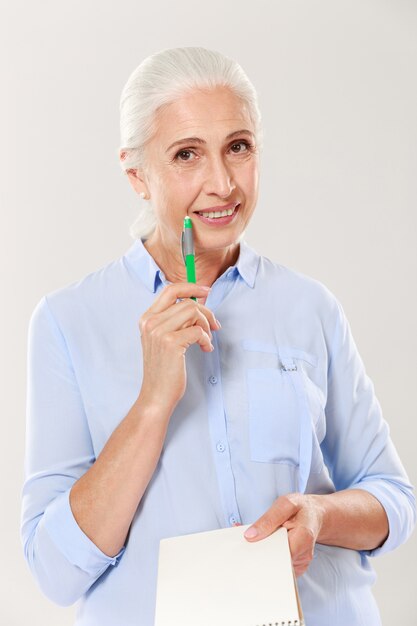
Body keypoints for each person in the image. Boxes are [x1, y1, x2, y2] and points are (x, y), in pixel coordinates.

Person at [21, 46, 415, 626]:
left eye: (238, 147)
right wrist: (154, 402)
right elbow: (53, 571)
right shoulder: (66, 321)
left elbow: (392, 500)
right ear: (137, 174)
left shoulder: (310, 308)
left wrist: (317, 515)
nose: (222, 183)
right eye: (186, 155)